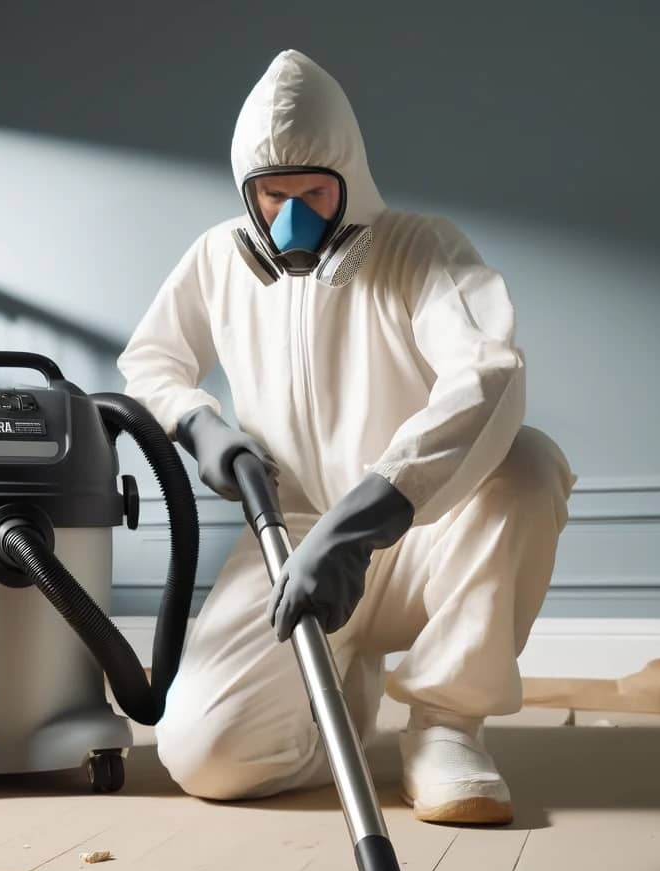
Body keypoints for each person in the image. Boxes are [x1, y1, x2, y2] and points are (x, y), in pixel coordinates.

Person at [117, 49, 576, 825]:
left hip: (421, 528)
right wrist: (202, 427)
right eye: (274, 195)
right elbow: (151, 361)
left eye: (314, 193)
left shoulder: (420, 248)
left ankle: (445, 726)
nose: (293, 215)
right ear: (248, 192)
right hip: (289, 537)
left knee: (528, 463)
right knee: (207, 758)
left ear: (350, 182)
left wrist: (367, 515)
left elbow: (487, 372)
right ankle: (343, 695)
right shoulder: (217, 260)